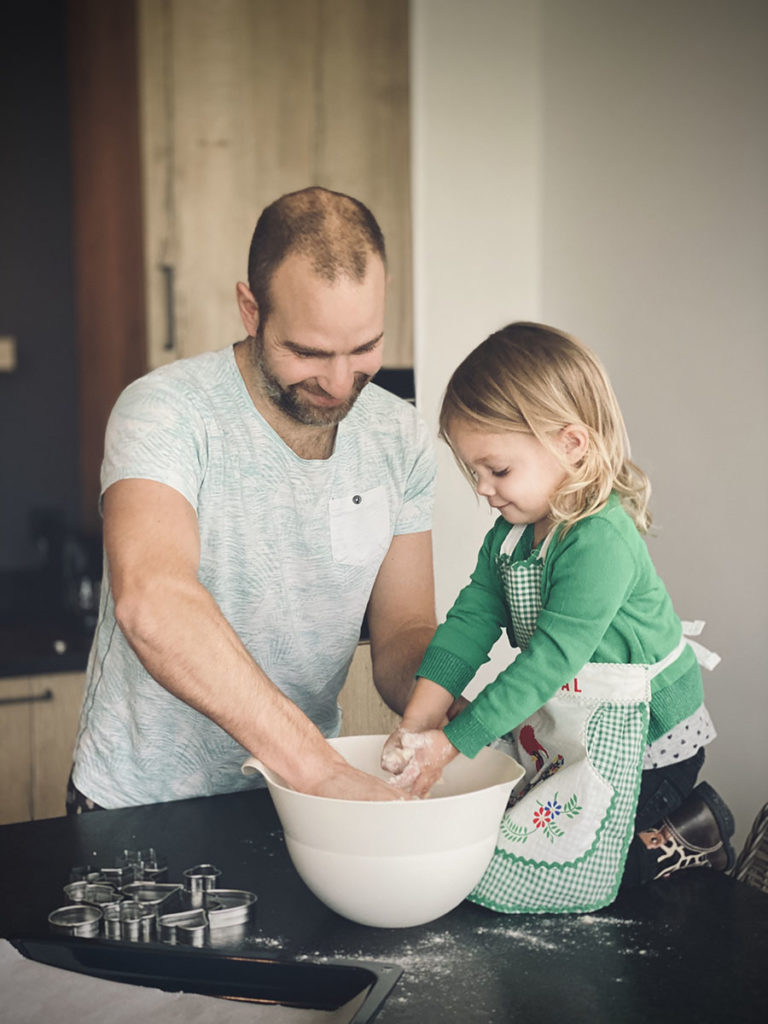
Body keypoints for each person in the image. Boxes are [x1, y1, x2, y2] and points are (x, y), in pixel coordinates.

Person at [68, 186, 437, 811]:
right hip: (139, 807)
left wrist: (462, 704)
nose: (341, 382)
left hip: (301, 803)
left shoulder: (400, 435)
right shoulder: (166, 412)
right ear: (251, 308)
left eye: (364, 347)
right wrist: (318, 768)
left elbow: (402, 629)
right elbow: (153, 600)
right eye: (309, 352)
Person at [382, 322, 734, 914]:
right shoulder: (511, 537)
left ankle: (691, 833)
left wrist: (454, 744)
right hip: (576, 720)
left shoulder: (601, 539)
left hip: (648, 739)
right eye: (475, 473)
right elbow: (470, 622)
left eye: (498, 469)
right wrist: (419, 723)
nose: (485, 490)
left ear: (572, 444)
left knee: (589, 874)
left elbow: (550, 661)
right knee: (515, 837)